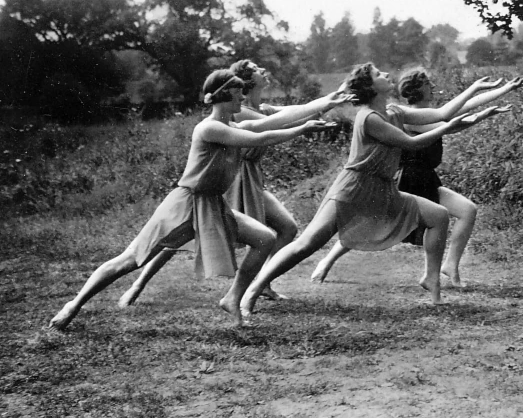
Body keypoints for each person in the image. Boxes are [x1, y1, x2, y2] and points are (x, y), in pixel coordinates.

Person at [49, 70, 338, 331]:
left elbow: (275, 121)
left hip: (212, 204)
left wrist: (324, 103)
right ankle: (73, 305)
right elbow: (262, 137)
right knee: (129, 261)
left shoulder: (232, 123)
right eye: (238, 95)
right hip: (186, 204)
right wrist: (302, 129)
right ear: (224, 96)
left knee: (263, 238)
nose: (242, 100)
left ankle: (232, 299)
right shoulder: (210, 128)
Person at [239, 62, 508, 314]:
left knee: (437, 216)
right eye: (379, 75)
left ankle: (432, 281)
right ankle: (252, 290)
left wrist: (476, 92)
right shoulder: (369, 118)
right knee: (306, 244)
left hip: (383, 189)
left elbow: (442, 114)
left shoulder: (394, 112)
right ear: (370, 88)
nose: (387, 76)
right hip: (354, 188)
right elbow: (411, 143)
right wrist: (452, 125)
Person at [117, 60, 352, 308]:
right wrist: (312, 116)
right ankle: (138, 284)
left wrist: (332, 98)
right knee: (182, 235)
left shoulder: (261, 107)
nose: (263, 70)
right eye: (257, 69)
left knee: (286, 227)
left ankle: (260, 285)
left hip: (251, 178)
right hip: (230, 179)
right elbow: (280, 124)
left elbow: (298, 110)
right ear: (246, 81)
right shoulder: (239, 113)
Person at [310, 68, 523, 287]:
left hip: (427, 179)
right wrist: (479, 112)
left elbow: (454, 111)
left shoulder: (423, 112)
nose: (432, 86)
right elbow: (448, 123)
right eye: (427, 83)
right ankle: (327, 261)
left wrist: (503, 89)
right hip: (406, 179)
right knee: (370, 222)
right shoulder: (405, 116)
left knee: (467, 210)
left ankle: (449, 266)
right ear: (417, 89)